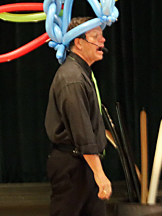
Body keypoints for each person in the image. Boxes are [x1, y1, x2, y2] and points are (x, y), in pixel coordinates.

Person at [45, 16, 112, 216]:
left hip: (83, 164)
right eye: (95, 36)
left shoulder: (82, 73)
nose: (103, 41)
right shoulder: (72, 78)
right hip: (73, 166)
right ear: (78, 43)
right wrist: (99, 174)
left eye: (102, 36)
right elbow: (82, 132)